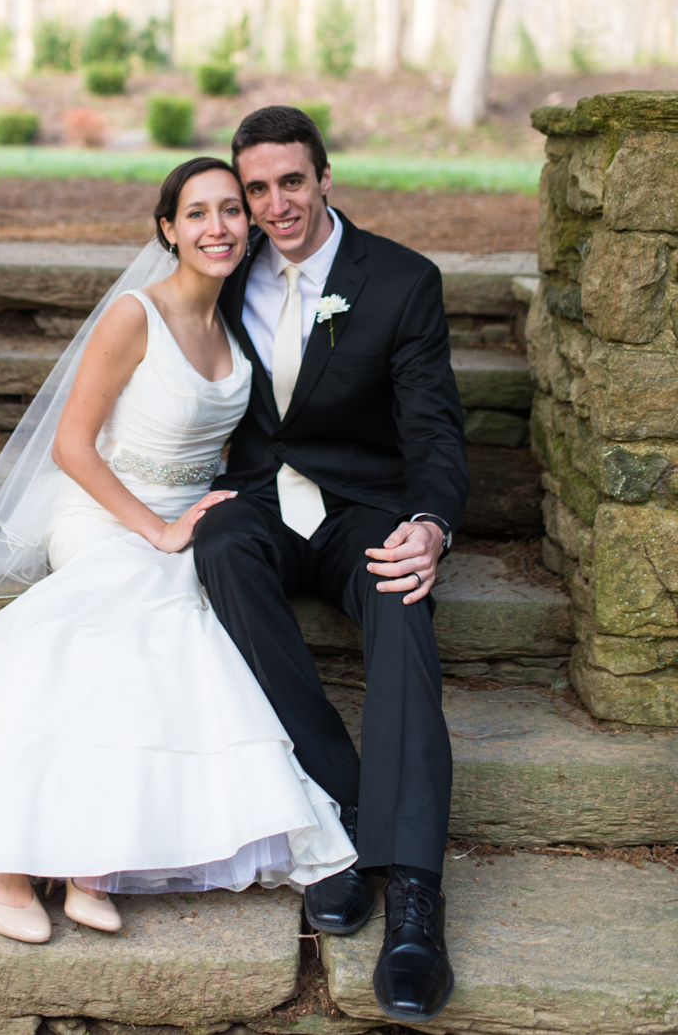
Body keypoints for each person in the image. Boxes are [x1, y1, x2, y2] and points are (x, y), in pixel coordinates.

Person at [0, 157, 353, 964]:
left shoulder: (236, 326)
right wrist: (155, 532)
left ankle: (90, 850)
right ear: (168, 228)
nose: (219, 226)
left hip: (183, 517)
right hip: (101, 510)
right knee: (131, 604)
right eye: (197, 213)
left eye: (232, 209)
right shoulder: (136, 313)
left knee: (178, 626)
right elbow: (71, 446)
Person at [194, 105, 465, 1022]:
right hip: (262, 504)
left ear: (325, 177)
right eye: (257, 188)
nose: (276, 205)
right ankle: (339, 822)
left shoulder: (399, 281)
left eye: (292, 182)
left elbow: (433, 429)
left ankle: (416, 902)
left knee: (400, 592)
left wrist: (429, 523)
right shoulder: (220, 276)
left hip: (361, 510)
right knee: (218, 545)